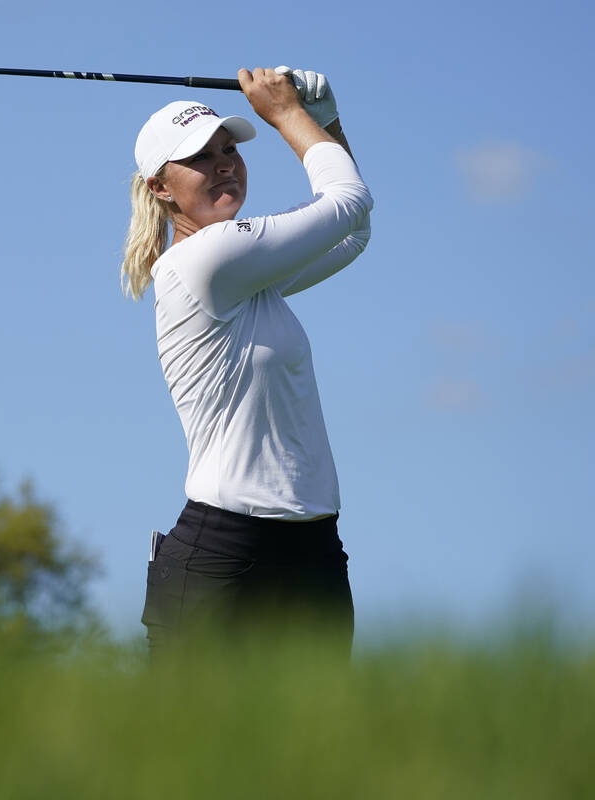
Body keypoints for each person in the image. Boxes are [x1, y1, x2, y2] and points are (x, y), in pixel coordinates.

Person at [122, 67, 373, 659]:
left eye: (229, 150)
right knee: (191, 751)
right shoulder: (205, 261)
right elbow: (348, 200)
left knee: (319, 752)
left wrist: (326, 120)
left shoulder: (248, 277)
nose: (224, 165)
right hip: (225, 556)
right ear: (161, 188)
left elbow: (353, 231)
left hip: (312, 552)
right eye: (201, 159)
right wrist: (290, 114)